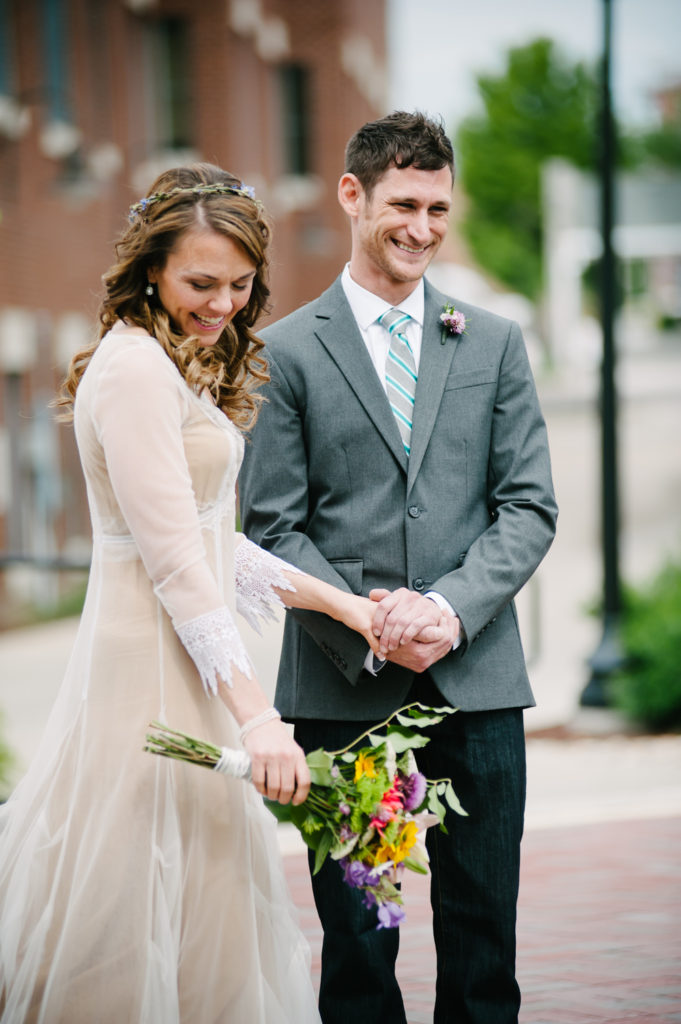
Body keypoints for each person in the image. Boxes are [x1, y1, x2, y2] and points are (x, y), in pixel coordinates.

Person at [0, 163, 419, 1023]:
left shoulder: (172, 363)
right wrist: (257, 718)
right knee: (130, 908)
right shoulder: (133, 371)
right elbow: (175, 565)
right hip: (147, 669)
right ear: (151, 268)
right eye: (200, 283)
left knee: (196, 899)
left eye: (239, 284)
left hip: (188, 659)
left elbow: (212, 540)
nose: (223, 303)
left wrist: (344, 605)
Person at [239, 111, 558, 1024]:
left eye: (437, 209)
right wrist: (369, 621)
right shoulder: (284, 351)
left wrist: (448, 611)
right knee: (357, 944)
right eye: (403, 205)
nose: (422, 228)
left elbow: (527, 507)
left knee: (483, 936)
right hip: (341, 690)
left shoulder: (492, 341)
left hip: (477, 681)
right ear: (353, 194)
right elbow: (270, 528)